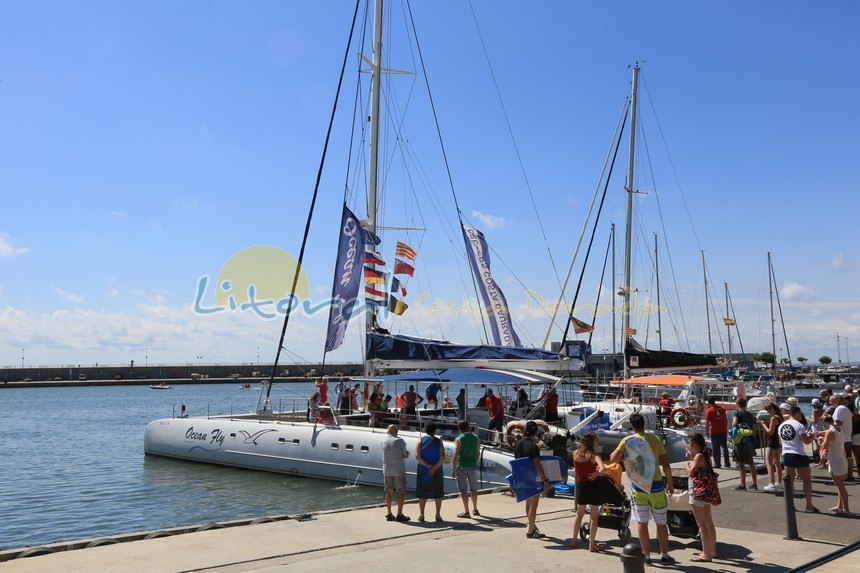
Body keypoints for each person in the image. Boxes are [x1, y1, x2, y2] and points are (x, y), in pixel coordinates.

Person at [610, 413, 675, 565]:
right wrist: (670, 482)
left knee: (642, 523)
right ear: (644, 424)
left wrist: (624, 453)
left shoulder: (627, 440)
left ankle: (647, 556)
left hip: (638, 487)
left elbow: (613, 458)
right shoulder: (655, 439)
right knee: (661, 523)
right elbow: (665, 463)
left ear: (632, 426)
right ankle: (665, 555)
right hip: (657, 486)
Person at [685, 433, 719, 562]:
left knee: (701, 524)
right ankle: (712, 551)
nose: (689, 445)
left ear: (694, 443)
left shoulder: (699, 456)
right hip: (706, 492)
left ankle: (705, 553)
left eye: (690, 442)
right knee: (709, 522)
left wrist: (687, 464)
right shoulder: (705, 454)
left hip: (697, 492)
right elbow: (701, 464)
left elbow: (691, 472)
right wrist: (692, 458)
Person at [571, 432, 607, 552]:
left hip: (581, 486)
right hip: (593, 486)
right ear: (592, 442)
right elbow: (603, 468)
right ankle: (591, 546)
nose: (597, 443)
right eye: (596, 441)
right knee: (594, 517)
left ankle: (574, 541)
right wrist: (596, 473)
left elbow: (578, 469)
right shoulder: (593, 455)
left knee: (579, 515)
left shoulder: (575, 454)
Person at [516, 420, 551, 539]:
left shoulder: (518, 443)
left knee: (528, 503)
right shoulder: (533, 447)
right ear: (535, 433)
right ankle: (530, 531)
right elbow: (538, 465)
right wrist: (545, 481)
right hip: (532, 479)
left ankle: (532, 526)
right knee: (534, 505)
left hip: (521, 477)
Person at [779, 406, 818, 513]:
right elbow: (806, 441)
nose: (801, 416)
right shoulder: (799, 425)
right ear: (796, 414)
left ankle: (790, 505)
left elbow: (780, 442)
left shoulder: (781, 425)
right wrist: (813, 436)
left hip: (786, 454)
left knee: (790, 481)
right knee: (806, 480)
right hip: (799, 454)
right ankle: (809, 505)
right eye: (800, 414)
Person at [812, 414, 850, 514]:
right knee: (839, 485)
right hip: (841, 459)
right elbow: (828, 432)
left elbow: (824, 446)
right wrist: (819, 433)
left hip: (835, 461)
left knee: (840, 485)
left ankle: (846, 509)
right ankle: (840, 506)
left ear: (825, 423)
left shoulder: (829, 431)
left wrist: (820, 440)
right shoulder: (839, 428)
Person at [416, 422, 445, 522]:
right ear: (435, 431)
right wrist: (434, 468)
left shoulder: (420, 440)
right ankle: (438, 514)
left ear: (425, 430)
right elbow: (442, 457)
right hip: (437, 470)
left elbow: (417, 456)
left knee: (422, 493)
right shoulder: (439, 442)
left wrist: (427, 466)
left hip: (423, 470)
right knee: (438, 493)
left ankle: (422, 515)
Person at [381, 425, 411, 522]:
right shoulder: (400, 441)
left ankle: (389, 514)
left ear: (388, 431)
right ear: (397, 431)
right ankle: (399, 515)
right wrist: (407, 453)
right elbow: (405, 455)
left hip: (387, 470)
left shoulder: (383, 441)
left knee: (388, 491)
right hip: (398, 470)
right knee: (401, 492)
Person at [451, 420, 480, 518]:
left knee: (464, 490)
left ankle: (466, 511)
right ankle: (475, 508)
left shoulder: (459, 439)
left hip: (462, 465)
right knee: (474, 489)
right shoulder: (475, 438)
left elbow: (456, 454)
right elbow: (477, 453)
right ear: (468, 427)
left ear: (459, 429)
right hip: (472, 465)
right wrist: (474, 461)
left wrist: (453, 468)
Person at [731, 397, 759, 491]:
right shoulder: (750, 415)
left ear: (738, 405)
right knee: (751, 463)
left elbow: (734, 423)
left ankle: (742, 485)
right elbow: (754, 428)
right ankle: (754, 484)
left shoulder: (737, 413)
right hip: (749, 441)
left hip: (740, 441)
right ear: (745, 404)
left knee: (741, 463)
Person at [758, 402, 784, 492]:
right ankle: (779, 482)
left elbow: (770, 432)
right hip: (778, 442)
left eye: (768, 410)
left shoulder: (773, 418)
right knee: (777, 462)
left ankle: (772, 483)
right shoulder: (780, 417)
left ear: (772, 409)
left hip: (772, 441)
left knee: (769, 462)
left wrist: (763, 424)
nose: (768, 412)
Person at [830, 395, 854, 480]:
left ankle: (844, 475)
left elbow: (837, 424)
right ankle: (849, 474)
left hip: (842, 438)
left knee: (842, 456)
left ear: (836, 400)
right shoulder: (845, 408)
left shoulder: (839, 409)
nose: (830, 403)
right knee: (848, 455)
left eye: (831, 401)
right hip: (847, 437)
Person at [704, 397, 730, 468]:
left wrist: (706, 432)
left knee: (716, 448)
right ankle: (727, 463)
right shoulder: (722, 409)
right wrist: (725, 428)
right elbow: (725, 419)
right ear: (714, 401)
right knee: (725, 447)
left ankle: (717, 464)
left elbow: (707, 423)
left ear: (709, 403)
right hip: (723, 430)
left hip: (715, 431)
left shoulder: (709, 410)